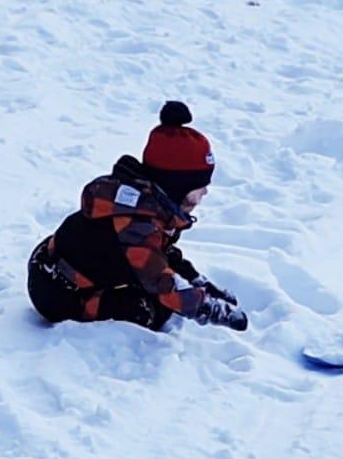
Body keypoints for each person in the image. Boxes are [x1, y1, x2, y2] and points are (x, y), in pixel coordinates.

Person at [27, 101, 247, 332]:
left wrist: (199, 283)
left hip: (56, 269)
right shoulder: (135, 223)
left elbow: (161, 256)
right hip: (59, 293)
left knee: (152, 289)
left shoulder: (149, 206)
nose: (205, 192)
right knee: (147, 310)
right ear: (176, 187)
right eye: (199, 186)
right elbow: (163, 284)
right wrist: (212, 309)